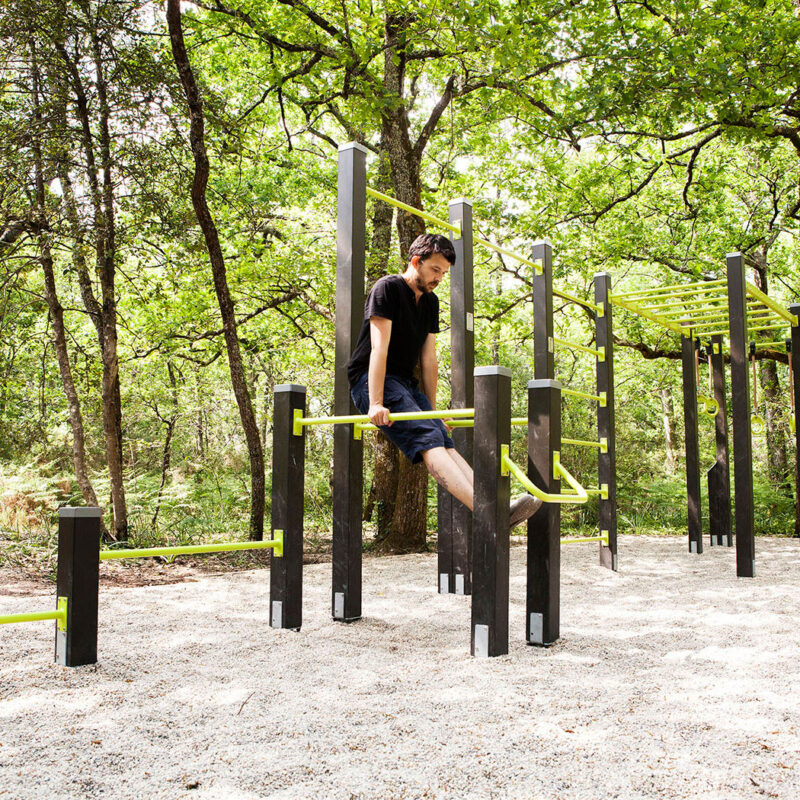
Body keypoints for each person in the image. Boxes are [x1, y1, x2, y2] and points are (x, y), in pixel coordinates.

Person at [347, 233, 540, 528]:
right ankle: (490, 513)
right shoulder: (387, 288)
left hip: (404, 383)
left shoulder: (430, 302)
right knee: (428, 441)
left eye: (444, 273)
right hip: (372, 380)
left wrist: (433, 412)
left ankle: (495, 505)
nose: (439, 278)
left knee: (443, 439)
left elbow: (428, 359)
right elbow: (378, 348)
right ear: (416, 262)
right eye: (435, 270)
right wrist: (375, 402)